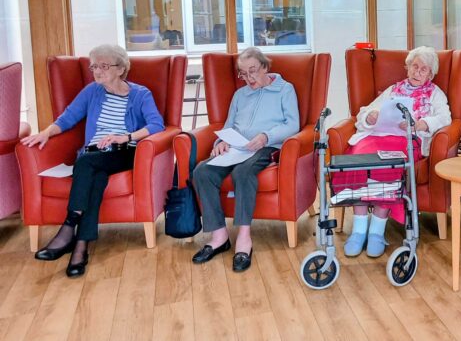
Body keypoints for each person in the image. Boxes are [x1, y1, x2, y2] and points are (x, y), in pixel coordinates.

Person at [21, 44, 165, 278]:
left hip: (123, 152)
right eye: (94, 66)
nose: (97, 71)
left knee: (86, 163)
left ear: (121, 69)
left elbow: (157, 125)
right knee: (95, 178)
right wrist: (46, 132)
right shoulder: (92, 91)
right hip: (94, 155)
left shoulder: (140, 94)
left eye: (103, 66)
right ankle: (81, 246)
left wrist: (127, 137)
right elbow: (68, 117)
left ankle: (69, 227)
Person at [191, 47, 299, 272]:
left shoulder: (285, 89)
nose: (249, 78)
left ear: (265, 67)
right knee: (202, 171)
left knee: (243, 172)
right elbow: (229, 125)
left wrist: (266, 136)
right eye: (243, 73)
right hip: (237, 146)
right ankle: (219, 236)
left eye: (253, 71)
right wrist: (221, 142)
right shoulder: (240, 95)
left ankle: (243, 238)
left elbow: (292, 124)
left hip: (266, 146)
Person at [338, 46, 451, 258]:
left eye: (423, 69)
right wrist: (370, 116)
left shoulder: (435, 94)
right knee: (357, 158)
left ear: (430, 74)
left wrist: (422, 124)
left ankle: (376, 231)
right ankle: (359, 229)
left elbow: (445, 118)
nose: (417, 72)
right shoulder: (394, 89)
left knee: (388, 165)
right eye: (414, 66)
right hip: (377, 136)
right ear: (407, 67)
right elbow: (365, 111)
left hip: (406, 140)